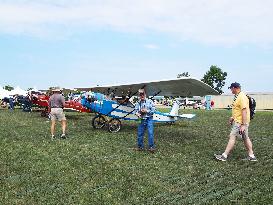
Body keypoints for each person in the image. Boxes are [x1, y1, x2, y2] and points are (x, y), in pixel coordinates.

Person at [215, 82, 257, 161]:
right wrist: (232, 117)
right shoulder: (237, 96)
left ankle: (224, 156)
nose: (231, 90)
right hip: (239, 121)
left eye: (231, 89)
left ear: (234, 88)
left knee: (232, 136)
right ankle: (251, 156)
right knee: (245, 138)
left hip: (240, 122)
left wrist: (243, 125)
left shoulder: (242, 97)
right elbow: (237, 110)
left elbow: (244, 111)